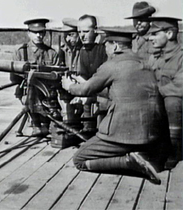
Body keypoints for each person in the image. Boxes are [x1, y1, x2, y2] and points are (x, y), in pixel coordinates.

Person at [61, 27, 170, 185]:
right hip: (152, 133)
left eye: (107, 44)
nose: (105, 48)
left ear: (116, 46)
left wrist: (69, 86)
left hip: (123, 134)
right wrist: (93, 91)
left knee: (79, 159)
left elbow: (84, 90)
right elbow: (123, 92)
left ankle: (130, 161)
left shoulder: (112, 64)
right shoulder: (144, 62)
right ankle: (138, 155)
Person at [11, 18, 62, 136]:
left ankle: (43, 123)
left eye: (41, 32)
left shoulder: (51, 53)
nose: (39, 35)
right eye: (35, 32)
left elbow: (56, 78)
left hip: (47, 94)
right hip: (27, 93)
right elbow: (14, 78)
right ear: (28, 33)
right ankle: (36, 124)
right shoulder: (20, 52)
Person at [148, 17, 182, 169]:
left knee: (172, 100)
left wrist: (155, 93)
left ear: (169, 34)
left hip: (175, 106)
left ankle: (174, 151)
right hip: (158, 104)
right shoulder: (155, 57)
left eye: (155, 33)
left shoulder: (181, 56)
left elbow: (180, 86)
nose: (150, 38)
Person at [77, 14, 108, 134]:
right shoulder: (83, 50)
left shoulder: (105, 47)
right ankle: (87, 128)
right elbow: (84, 75)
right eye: (79, 32)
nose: (82, 35)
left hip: (106, 94)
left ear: (95, 30)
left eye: (85, 31)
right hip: (92, 93)